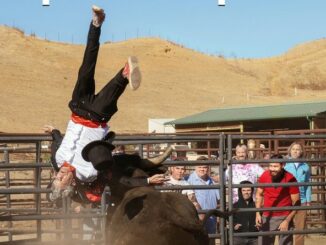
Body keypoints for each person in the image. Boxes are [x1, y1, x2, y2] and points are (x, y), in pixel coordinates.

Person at [44, 5, 141, 184]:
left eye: (57, 176)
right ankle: (126, 73)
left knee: (86, 67)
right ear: (71, 182)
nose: (60, 174)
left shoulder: (58, 160)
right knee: (113, 91)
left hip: (79, 108)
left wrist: (54, 131)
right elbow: (104, 162)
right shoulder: (86, 173)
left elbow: (59, 141)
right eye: (62, 178)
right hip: (96, 119)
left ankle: (96, 24)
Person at [255, 154, 300, 245]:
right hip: (267, 215)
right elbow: (259, 194)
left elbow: (297, 202)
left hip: (285, 216)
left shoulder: (290, 178)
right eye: (271, 166)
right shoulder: (265, 175)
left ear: (282, 165)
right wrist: (258, 213)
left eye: (275, 166)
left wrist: (287, 220)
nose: (272, 169)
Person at [187, 156, 220, 243]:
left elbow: (219, 199)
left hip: (211, 218)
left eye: (204, 167)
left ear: (208, 168)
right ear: (195, 167)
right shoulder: (189, 181)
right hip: (196, 218)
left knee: (211, 240)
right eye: (199, 167)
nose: (202, 169)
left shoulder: (212, 181)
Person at [284, 142, 311, 245]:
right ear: (290, 151)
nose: (296, 151)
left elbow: (308, 184)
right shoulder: (285, 164)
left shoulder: (305, 166)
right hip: (288, 200)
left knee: (300, 228)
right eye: (294, 149)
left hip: (302, 200)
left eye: (298, 149)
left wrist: (308, 200)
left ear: (301, 151)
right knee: (286, 226)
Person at [233, 180, 258, 245]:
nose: (246, 192)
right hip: (238, 237)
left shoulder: (257, 205)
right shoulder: (234, 206)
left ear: (252, 191)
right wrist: (234, 224)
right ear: (240, 191)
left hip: (254, 238)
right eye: (243, 190)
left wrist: (259, 225)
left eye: (248, 190)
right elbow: (228, 217)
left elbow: (262, 217)